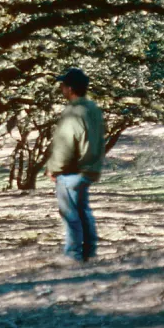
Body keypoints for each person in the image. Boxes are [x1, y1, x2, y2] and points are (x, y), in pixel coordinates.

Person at [46, 67, 106, 263]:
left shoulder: (73, 112)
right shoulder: (93, 109)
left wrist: (55, 168)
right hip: (89, 167)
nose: (61, 89)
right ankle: (89, 252)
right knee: (83, 212)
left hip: (72, 171)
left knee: (71, 214)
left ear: (70, 88)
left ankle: (73, 254)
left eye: (63, 85)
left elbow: (66, 144)